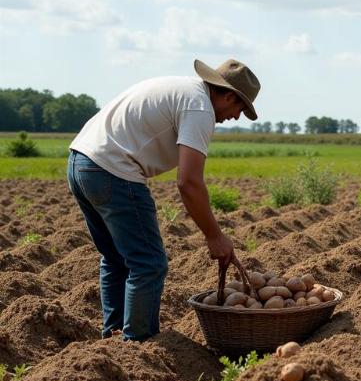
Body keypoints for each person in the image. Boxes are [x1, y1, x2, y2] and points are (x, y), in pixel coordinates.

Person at [67, 58, 261, 341]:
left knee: (116, 258)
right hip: (113, 170)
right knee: (149, 263)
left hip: (80, 163)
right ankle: (137, 345)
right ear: (229, 95)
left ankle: (114, 340)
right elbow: (189, 182)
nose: (236, 117)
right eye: (240, 108)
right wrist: (215, 236)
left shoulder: (183, 90)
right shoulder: (199, 108)